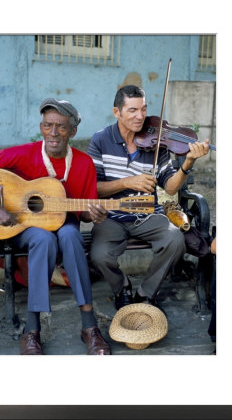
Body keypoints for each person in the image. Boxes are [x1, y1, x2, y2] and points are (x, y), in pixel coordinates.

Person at [0, 98, 110, 355]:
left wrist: (94, 215)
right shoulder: (23, 154)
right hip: (21, 226)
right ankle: (32, 329)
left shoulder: (83, 163)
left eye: (61, 127)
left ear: (73, 131)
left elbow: (82, 215)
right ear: (41, 127)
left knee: (71, 235)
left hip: (64, 221)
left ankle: (89, 326)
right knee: (43, 239)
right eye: (48, 125)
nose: (53, 133)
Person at [87, 85, 209, 311]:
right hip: (112, 216)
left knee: (175, 240)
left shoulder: (157, 141)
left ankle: (146, 292)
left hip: (148, 214)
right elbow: (93, 188)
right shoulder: (101, 140)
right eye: (132, 110)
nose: (140, 116)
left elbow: (171, 188)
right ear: (117, 112)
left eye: (143, 109)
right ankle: (121, 286)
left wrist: (188, 163)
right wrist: (126, 182)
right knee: (99, 254)